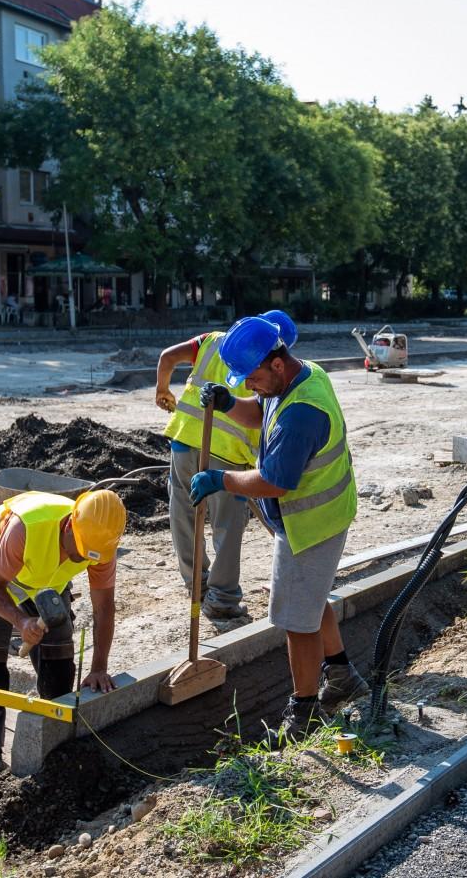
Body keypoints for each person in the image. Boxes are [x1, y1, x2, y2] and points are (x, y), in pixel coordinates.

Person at [191, 315, 365, 739]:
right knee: (309, 599)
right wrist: (230, 405)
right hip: (318, 517)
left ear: (276, 364)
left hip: (311, 525)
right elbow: (261, 409)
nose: (247, 386)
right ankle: (341, 675)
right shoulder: (296, 377)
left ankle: (303, 711)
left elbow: (274, 481)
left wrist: (223, 480)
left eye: (250, 378)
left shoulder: (302, 412)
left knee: (294, 620)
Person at [0, 488, 126, 782]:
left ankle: (54, 732)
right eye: (77, 548)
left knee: (59, 648)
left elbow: (104, 608)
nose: (79, 556)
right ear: (69, 524)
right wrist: (21, 621)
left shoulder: (101, 543)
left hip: (42, 578)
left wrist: (99, 667)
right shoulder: (27, 527)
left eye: (85, 554)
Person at [152, 310, 298, 620]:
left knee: (184, 516)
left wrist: (162, 390)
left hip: (185, 440)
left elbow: (167, 357)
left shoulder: (212, 341)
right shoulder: (275, 372)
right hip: (228, 456)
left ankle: (197, 586)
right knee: (227, 527)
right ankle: (222, 597)